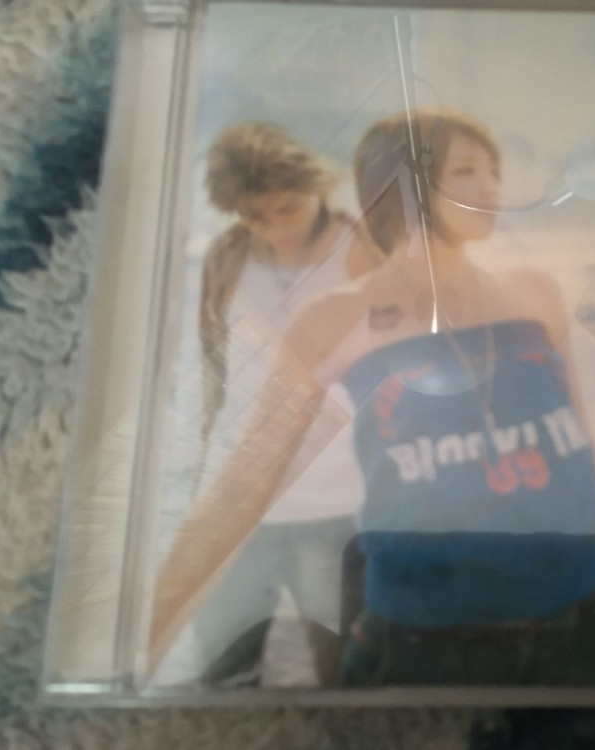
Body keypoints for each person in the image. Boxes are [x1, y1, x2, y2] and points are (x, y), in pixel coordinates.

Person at [151, 108, 595, 687]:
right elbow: (242, 484)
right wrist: (135, 643)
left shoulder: (534, 295)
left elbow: (590, 467)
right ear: (404, 183)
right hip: (427, 642)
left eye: (493, 171)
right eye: (466, 170)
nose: (490, 187)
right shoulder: (335, 317)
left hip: (585, 625)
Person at [187, 121, 382, 686]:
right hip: (238, 502)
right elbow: (214, 369)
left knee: (343, 678)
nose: (275, 226)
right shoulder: (226, 256)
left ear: (316, 185)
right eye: (255, 216)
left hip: (339, 500)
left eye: (288, 208)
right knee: (223, 671)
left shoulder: (366, 253)